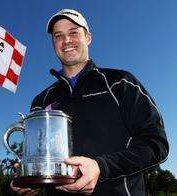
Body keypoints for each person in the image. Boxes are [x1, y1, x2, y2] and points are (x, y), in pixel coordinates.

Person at [11, 9, 169, 196]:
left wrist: (101, 167)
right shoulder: (41, 101)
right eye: (58, 36)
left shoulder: (120, 83)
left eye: (73, 32)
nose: (66, 40)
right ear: (53, 43)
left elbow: (157, 145)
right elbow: (39, 157)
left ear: (88, 37)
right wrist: (28, 178)